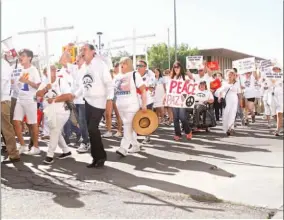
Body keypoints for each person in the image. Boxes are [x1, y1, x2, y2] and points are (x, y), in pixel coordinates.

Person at [73, 44, 113, 168]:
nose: (82, 52)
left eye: (84, 49)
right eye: (81, 50)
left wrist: (109, 99)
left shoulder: (100, 64)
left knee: (92, 128)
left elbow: (109, 83)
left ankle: (100, 157)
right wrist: (73, 96)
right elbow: (82, 86)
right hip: (87, 102)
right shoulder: (83, 67)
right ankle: (96, 158)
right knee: (92, 131)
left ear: (92, 51)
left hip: (99, 102)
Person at [36, 65, 73, 164]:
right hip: (49, 112)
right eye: (50, 69)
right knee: (56, 131)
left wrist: (54, 100)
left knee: (54, 130)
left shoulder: (61, 81)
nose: (53, 71)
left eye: (54, 69)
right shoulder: (44, 83)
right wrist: (45, 89)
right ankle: (66, 150)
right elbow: (37, 94)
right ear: (45, 73)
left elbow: (69, 96)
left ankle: (50, 155)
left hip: (62, 111)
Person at [114, 57, 147, 156]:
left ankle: (123, 148)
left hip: (131, 106)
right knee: (129, 127)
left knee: (128, 126)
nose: (122, 65)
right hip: (121, 107)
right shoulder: (117, 77)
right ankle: (135, 145)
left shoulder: (134, 74)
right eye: (121, 63)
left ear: (129, 64)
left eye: (124, 63)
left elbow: (143, 90)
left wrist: (144, 105)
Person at [13, 49, 41, 155]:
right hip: (20, 99)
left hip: (30, 100)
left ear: (29, 58)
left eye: (23, 56)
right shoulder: (19, 69)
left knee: (33, 123)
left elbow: (38, 85)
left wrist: (27, 81)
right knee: (16, 121)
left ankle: (36, 147)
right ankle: (23, 145)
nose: (21, 58)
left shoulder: (34, 70)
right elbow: (17, 84)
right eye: (20, 56)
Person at [66, 53, 91, 153]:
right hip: (75, 100)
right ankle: (84, 137)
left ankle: (86, 142)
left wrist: (75, 95)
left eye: (79, 59)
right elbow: (63, 61)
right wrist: (67, 49)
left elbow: (84, 85)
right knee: (77, 121)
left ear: (84, 59)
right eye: (76, 59)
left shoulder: (87, 69)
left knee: (82, 122)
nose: (77, 61)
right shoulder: (75, 69)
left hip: (83, 100)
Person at [1, 58, 20, 163]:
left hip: (2, 100)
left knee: (6, 128)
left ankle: (13, 153)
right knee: (6, 128)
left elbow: (3, 82)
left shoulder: (3, 64)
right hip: (3, 99)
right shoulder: (4, 64)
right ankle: (13, 153)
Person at [170, 61, 193, 141]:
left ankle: (188, 130)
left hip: (182, 99)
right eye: (174, 67)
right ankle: (177, 134)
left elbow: (192, 85)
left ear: (181, 68)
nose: (176, 69)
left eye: (177, 67)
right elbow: (169, 89)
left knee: (182, 117)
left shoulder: (184, 77)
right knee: (175, 118)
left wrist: (191, 78)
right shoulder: (172, 78)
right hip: (174, 99)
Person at [136, 60, 156, 145]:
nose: (138, 67)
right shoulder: (135, 75)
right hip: (137, 101)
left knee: (146, 119)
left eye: (140, 65)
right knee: (138, 119)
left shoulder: (150, 76)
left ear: (145, 67)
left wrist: (142, 88)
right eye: (137, 65)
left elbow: (151, 87)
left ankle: (147, 137)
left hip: (148, 101)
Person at [101, 62, 123, 138]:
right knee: (107, 115)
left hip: (117, 97)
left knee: (118, 115)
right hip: (109, 97)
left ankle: (119, 131)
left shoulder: (121, 76)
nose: (115, 68)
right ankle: (109, 131)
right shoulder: (111, 75)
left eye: (117, 66)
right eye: (114, 66)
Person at [218, 70, 242, 136]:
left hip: (234, 100)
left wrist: (240, 102)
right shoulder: (224, 83)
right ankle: (226, 128)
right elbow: (220, 91)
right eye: (229, 74)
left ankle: (230, 128)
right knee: (225, 114)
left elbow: (239, 93)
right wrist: (219, 97)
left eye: (232, 74)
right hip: (226, 100)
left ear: (234, 76)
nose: (230, 76)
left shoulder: (237, 83)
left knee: (232, 114)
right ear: (227, 76)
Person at [271, 64, 283, 136]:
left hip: (281, 97)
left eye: (276, 69)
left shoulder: (282, 77)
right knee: (274, 113)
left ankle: (278, 129)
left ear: (280, 70)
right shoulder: (271, 78)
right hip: (274, 97)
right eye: (273, 69)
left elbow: (275, 82)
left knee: (279, 113)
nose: (275, 70)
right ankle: (280, 126)